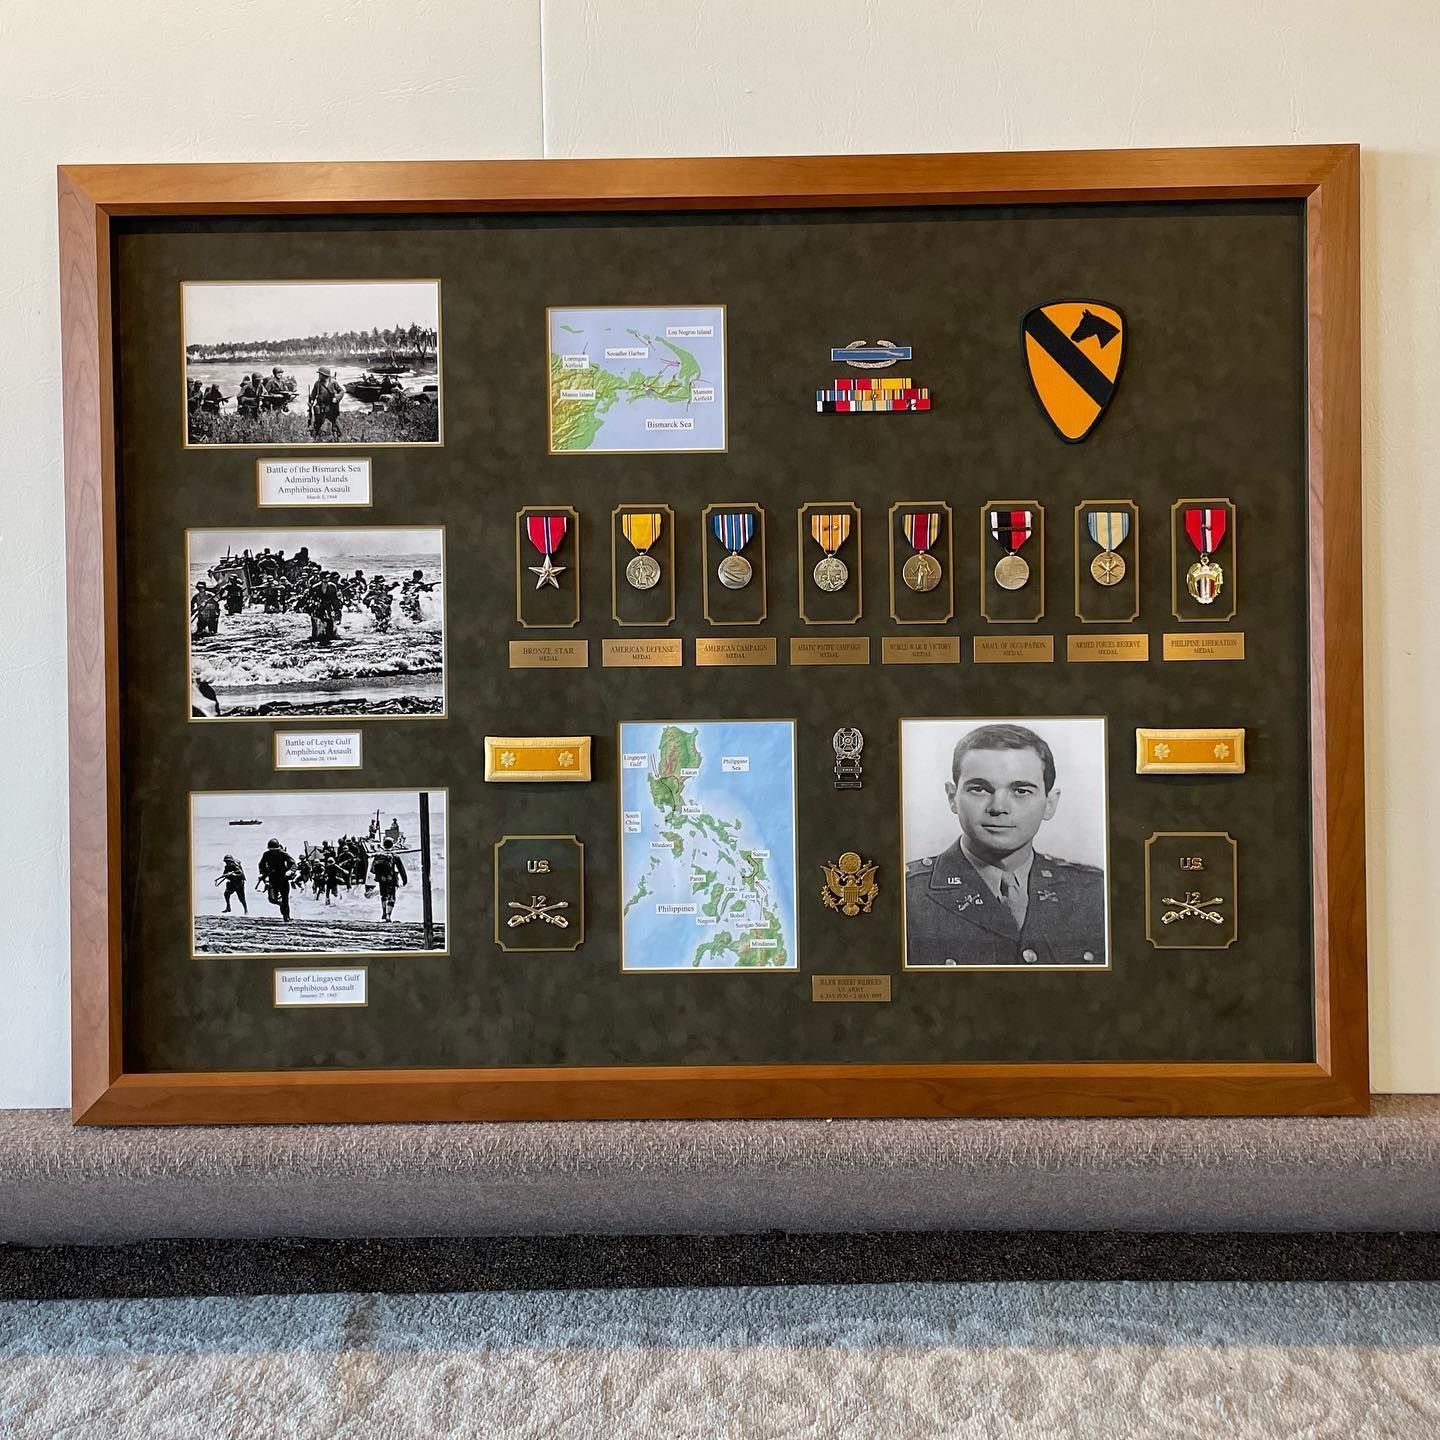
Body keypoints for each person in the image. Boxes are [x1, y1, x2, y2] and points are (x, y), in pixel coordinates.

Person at [904, 723, 1106, 969]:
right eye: (979, 789)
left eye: (1020, 790)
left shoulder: (1094, 892)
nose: (998, 807)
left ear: (1050, 803)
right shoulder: (907, 896)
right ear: (952, 797)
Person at [257, 838, 297, 923]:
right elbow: (261, 864)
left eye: (275, 850)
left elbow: (293, 864)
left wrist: (290, 871)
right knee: (272, 899)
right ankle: (281, 904)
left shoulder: (283, 853)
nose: (273, 852)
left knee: (285, 898)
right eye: (271, 850)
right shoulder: (266, 854)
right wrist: (262, 873)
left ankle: (286, 916)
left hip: (283, 878)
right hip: (272, 879)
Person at [368, 837, 408, 921]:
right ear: (392, 845)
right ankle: (388, 915)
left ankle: (384, 911)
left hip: (381, 879)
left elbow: (372, 869)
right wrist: (404, 880)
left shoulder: (378, 855)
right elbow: (401, 869)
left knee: (383, 896)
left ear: (383, 845)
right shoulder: (394, 856)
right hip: (391, 879)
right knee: (391, 897)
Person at [309, 366, 343, 439]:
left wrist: (337, 398)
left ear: (324, 375)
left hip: (332, 407)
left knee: (335, 423)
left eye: (320, 374)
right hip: (321, 407)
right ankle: (314, 437)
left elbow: (341, 391)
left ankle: (340, 437)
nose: (319, 376)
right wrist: (311, 400)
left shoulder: (333, 383)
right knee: (318, 423)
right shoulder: (317, 383)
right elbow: (313, 394)